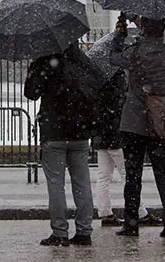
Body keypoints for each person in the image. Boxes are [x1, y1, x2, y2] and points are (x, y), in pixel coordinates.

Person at [110, 15, 165, 238]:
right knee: (162, 172)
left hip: (134, 120)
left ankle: (131, 224)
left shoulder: (135, 52)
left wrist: (120, 34)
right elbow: (158, 42)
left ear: (143, 30)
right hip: (159, 118)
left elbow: (113, 58)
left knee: (133, 175)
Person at [24, 44, 100, 247]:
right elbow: (98, 87)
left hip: (54, 131)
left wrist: (35, 69)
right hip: (80, 131)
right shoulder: (83, 61)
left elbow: (30, 93)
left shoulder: (45, 60)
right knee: (82, 183)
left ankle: (60, 232)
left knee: (56, 185)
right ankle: (84, 231)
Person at [93, 65, 161, 227]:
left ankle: (104, 213)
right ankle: (140, 212)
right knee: (128, 176)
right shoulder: (119, 82)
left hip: (101, 136)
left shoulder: (97, 81)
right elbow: (121, 109)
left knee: (103, 176)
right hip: (117, 137)